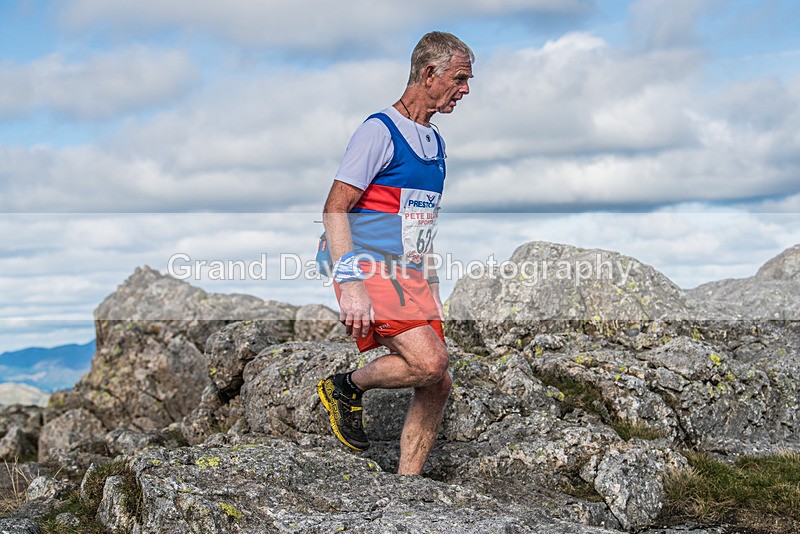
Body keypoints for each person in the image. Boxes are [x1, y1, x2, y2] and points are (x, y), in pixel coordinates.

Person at [316, 31, 474, 476]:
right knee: (429, 361)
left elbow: (422, 222)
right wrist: (351, 285)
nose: (465, 90)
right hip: (367, 262)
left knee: (438, 381)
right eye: (460, 79)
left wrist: (433, 284)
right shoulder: (378, 131)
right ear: (429, 73)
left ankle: (408, 488)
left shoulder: (436, 143)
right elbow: (334, 208)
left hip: (410, 272)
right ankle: (345, 386)